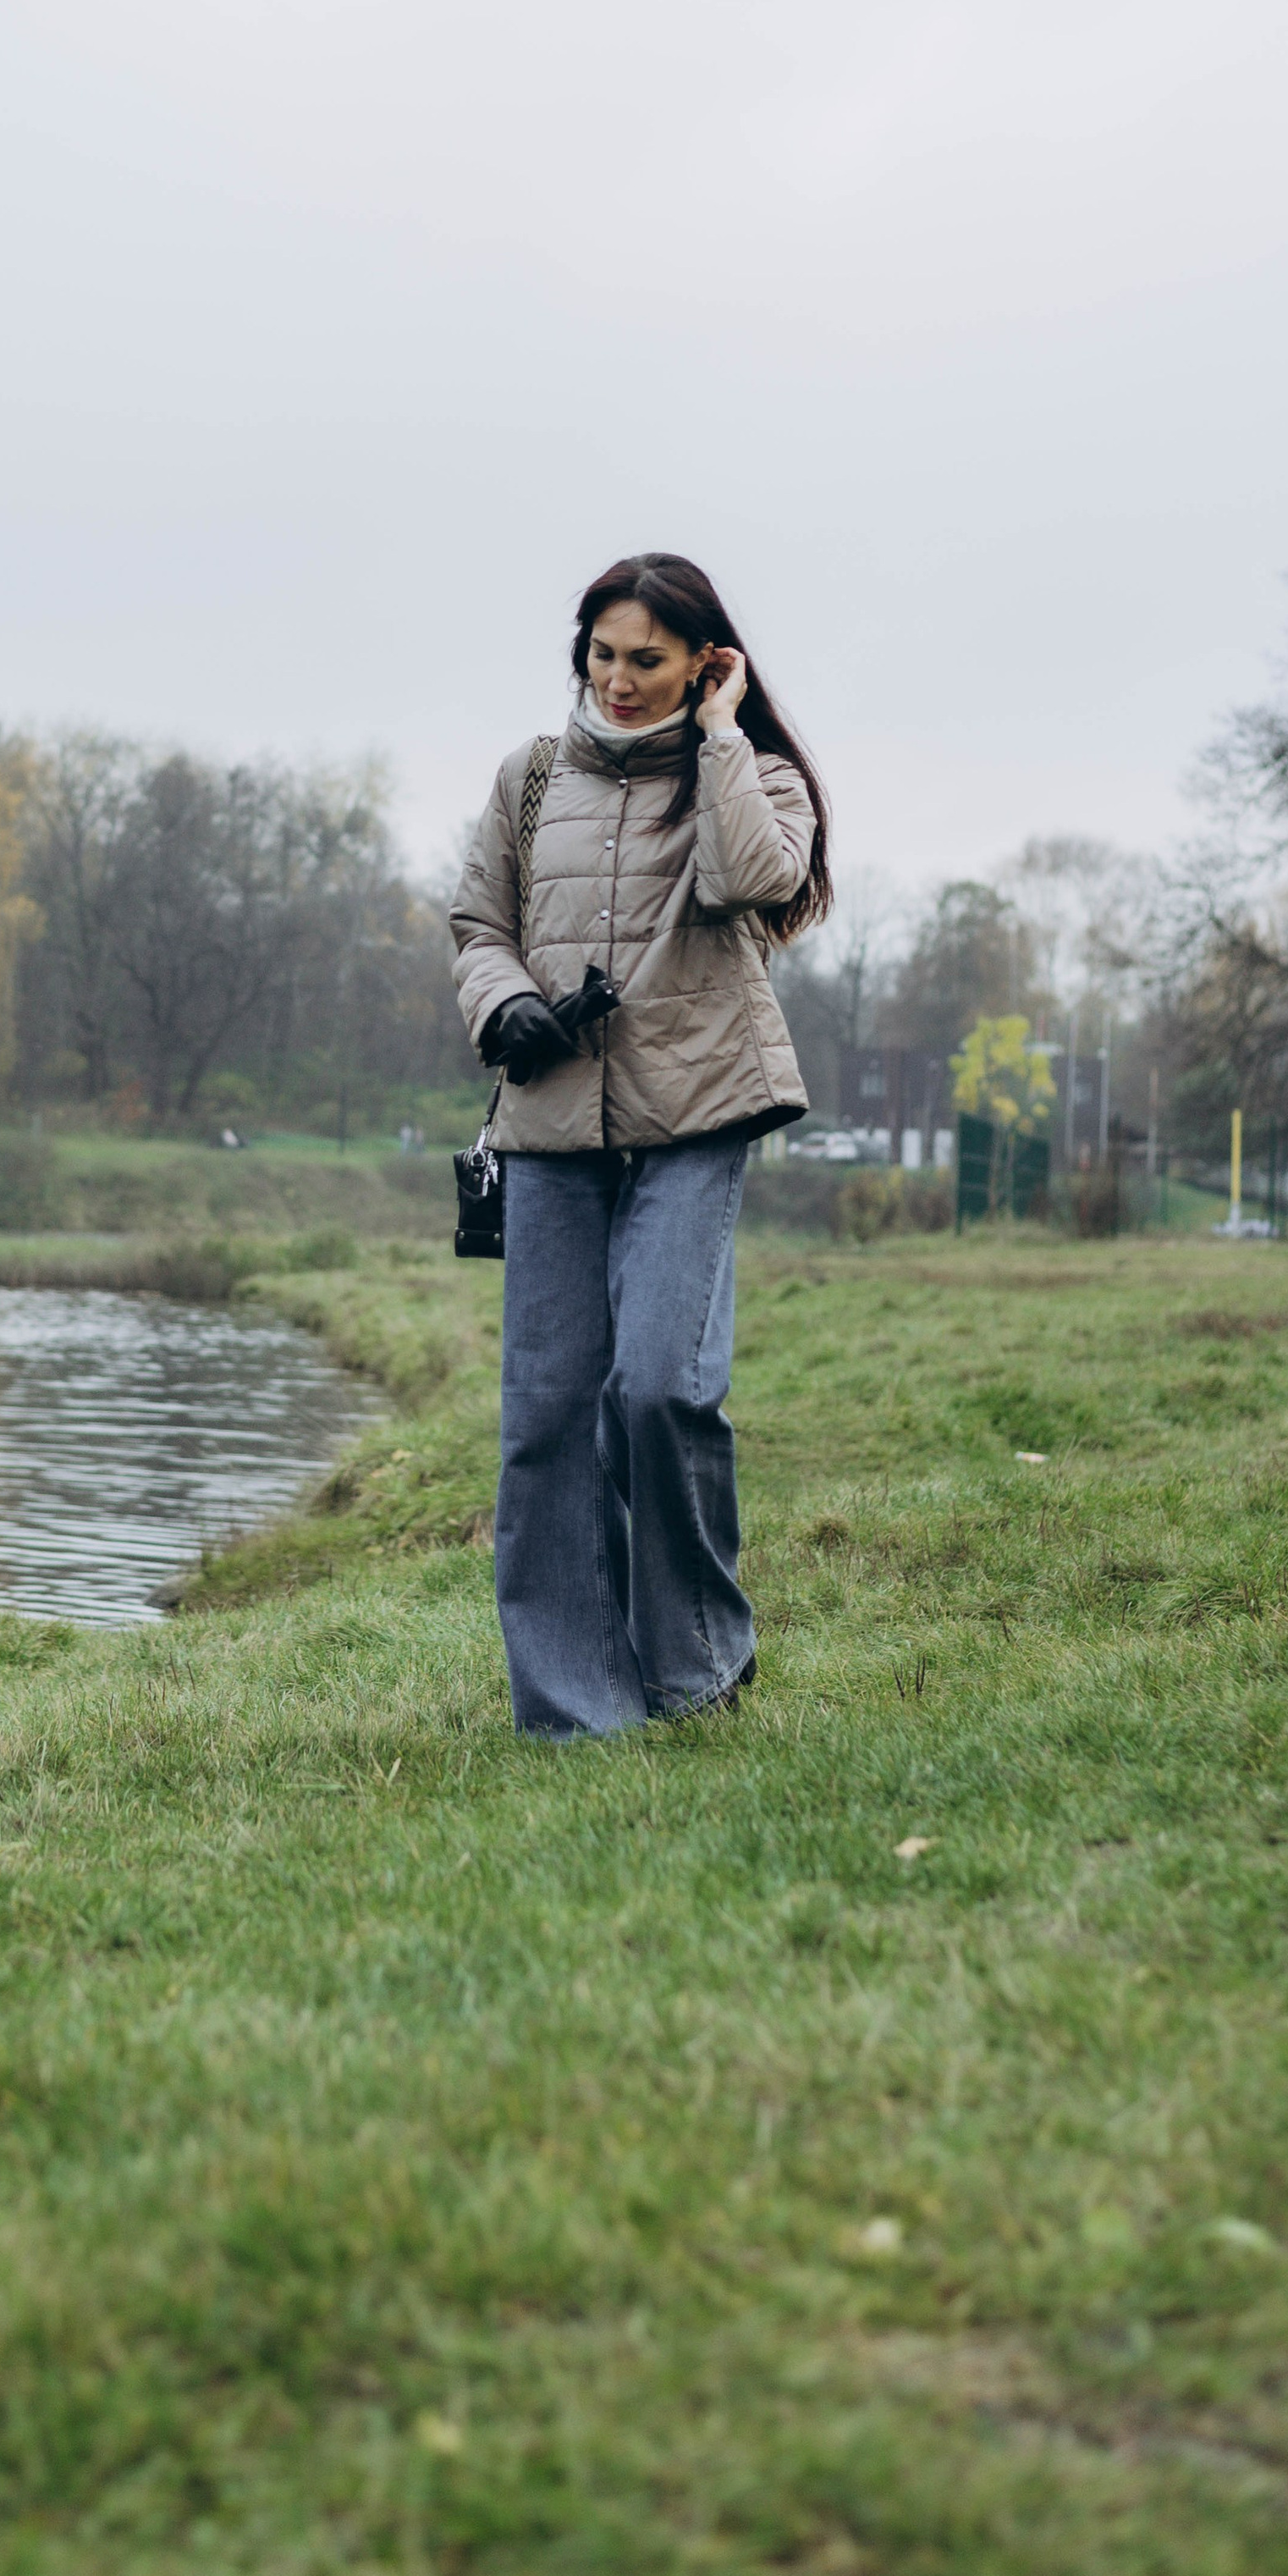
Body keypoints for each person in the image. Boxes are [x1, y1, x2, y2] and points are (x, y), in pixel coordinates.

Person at [449, 554, 831, 1736]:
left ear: (705, 662)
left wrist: (717, 734)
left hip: (700, 1111)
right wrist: (500, 1002)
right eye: (603, 655)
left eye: (648, 660)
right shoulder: (528, 779)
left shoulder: (755, 774)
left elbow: (758, 882)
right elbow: (479, 923)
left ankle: (700, 1663)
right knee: (549, 1421)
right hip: (554, 1123)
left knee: (660, 1388)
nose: (618, 680)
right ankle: (577, 1713)